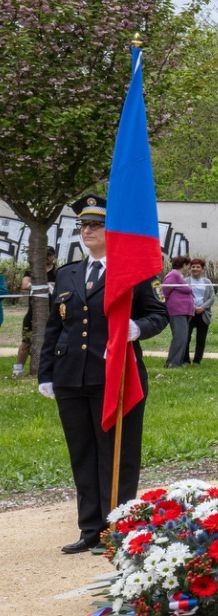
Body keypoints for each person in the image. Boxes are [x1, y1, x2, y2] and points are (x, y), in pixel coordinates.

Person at [36, 196, 167, 553]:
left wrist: (136, 329)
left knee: (117, 454)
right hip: (71, 377)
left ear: (111, 231)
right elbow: (54, 327)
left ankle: (117, 528)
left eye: (95, 226)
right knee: (83, 453)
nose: (88, 231)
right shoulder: (67, 273)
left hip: (115, 377)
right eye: (83, 226)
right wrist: (46, 373)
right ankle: (90, 528)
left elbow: (159, 314)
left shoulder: (133, 271)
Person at [13, 249, 56, 378]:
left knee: (53, 342)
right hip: (32, 314)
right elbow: (25, 285)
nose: (46, 257)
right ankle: (18, 370)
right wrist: (47, 286)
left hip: (52, 313)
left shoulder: (58, 272)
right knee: (26, 342)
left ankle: (49, 370)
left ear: (53, 257)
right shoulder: (32, 271)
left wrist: (39, 286)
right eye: (44, 254)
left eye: (49, 255)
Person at [161, 256, 194, 368]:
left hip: (184, 311)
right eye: (188, 265)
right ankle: (172, 363)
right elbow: (165, 291)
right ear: (184, 265)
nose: (189, 267)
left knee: (183, 337)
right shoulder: (173, 275)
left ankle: (177, 361)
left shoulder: (180, 276)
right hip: (177, 311)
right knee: (180, 337)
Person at [186, 258, 214, 365]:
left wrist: (203, 307)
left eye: (198, 267)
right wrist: (192, 307)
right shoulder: (185, 281)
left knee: (201, 339)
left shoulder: (207, 282)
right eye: (193, 267)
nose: (195, 269)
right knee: (186, 337)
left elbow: (211, 297)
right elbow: (183, 297)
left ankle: (197, 360)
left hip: (203, 313)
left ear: (202, 269)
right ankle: (186, 360)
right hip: (190, 312)